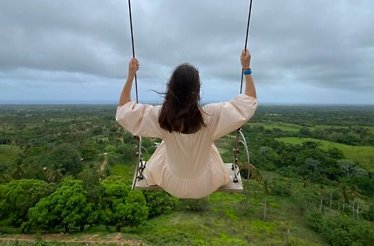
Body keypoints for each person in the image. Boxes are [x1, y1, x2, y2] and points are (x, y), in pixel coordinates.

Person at [116, 49, 257, 199]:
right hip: (204, 183)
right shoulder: (210, 116)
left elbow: (124, 110)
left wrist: (131, 76)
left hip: (172, 183)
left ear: (171, 88)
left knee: (165, 145)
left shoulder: (162, 116)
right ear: (197, 90)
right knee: (210, 145)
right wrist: (246, 68)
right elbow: (249, 101)